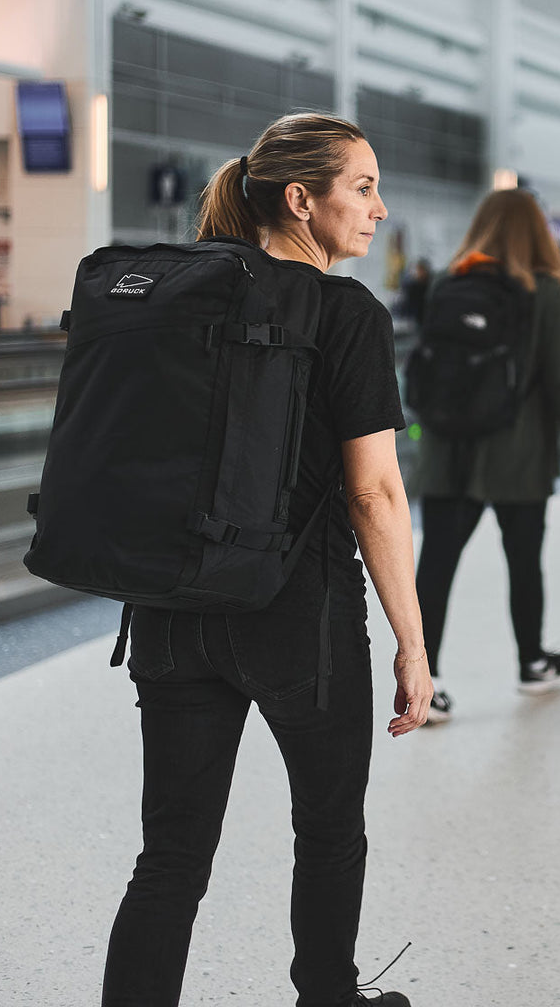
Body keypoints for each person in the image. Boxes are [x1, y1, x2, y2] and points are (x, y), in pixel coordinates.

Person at [101, 113, 433, 1007]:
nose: (378, 207)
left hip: (171, 611)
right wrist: (412, 640)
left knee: (170, 854)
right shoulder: (346, 312)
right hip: (300, 616)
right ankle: (327, 996)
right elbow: (374, 494)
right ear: (300, 200)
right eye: (361, 188)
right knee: (328, 830)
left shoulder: (174, 296)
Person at [414, 188, 560, 724]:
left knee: (437, 565)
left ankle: (427, 684)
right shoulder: (544, 291)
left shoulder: (449, 283)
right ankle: (532, 662)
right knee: (523, 561)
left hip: (449, 449)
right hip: (518, 451)